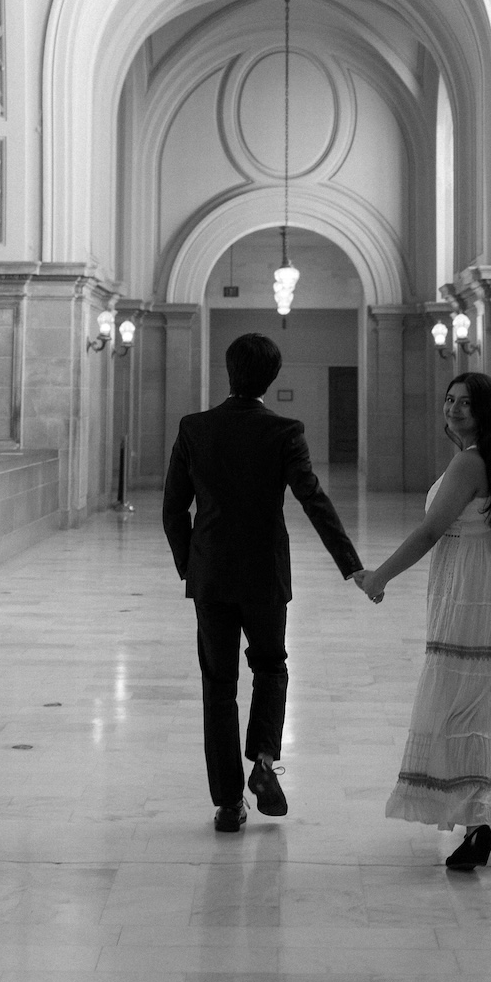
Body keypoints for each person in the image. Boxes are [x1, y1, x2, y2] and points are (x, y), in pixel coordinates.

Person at [163, 331, 365, 833]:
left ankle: (229, 804)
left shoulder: (194, 428)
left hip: (211, 576)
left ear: (227, 371)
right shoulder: (284, 431)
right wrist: (351, 564)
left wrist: (191, 564)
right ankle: (264, 759)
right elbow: (312, 499)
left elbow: (172, 509)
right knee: (271, 668)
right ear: (271, 379)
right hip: (265, 576)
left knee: (218, 687)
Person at [355, 370, 491, 871]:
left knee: (458, 699)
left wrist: (381, 576)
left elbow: (431, 530)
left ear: (485, 411)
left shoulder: (468, 462)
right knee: (487, 688)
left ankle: (479, 818)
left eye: (466, 403)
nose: (453, 409)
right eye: (449, 400)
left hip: (474, 583)